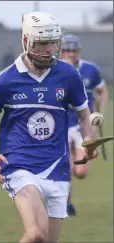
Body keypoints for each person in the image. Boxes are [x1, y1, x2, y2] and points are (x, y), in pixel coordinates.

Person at [0, 12, 98, 243]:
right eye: (41, 43)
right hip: (20, 166)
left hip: (57, 169)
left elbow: (84, 116)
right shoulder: (6, 80)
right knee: (37, 235)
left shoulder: (69, 75)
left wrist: (88, 142)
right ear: (26, 41)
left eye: (52, 42)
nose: (48, 49)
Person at [60, 34, 108, 216]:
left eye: (73, 50)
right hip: (62, 124)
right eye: (66, 50)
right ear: (60, 51)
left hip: (83, 125)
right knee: (65, 165)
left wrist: (99, 115)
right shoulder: (55, 70)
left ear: (78, 51)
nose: (70, 53)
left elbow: (102, 92)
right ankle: (67, 203)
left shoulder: (90, 70)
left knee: (80, 171)